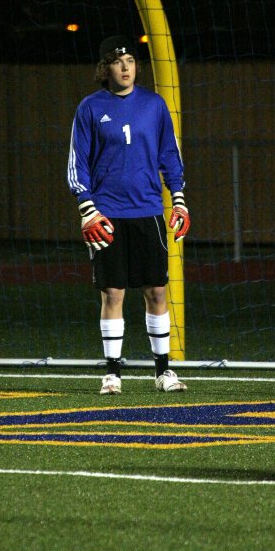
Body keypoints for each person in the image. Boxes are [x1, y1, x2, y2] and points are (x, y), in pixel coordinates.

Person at [67, 34, 190, 394]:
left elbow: (170, 155)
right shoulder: (89, 108)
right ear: (105, 69)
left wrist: (179, 198)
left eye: (131, 61)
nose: (126, 68)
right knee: (113, 293)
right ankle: (112, 374)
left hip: (148, 210)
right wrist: (86, 208)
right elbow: (78, 164)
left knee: (156, 290)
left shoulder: (154, 105)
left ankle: (164, 372)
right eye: (118, 62)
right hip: (107, 214)